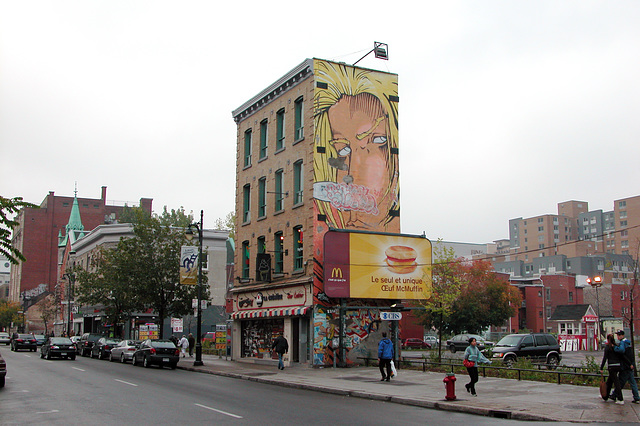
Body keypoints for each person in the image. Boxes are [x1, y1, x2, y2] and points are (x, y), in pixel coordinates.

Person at [612, 330, 639, 404]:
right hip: (630, 365)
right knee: (632, 382)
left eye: (619, 335)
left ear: (622, 336)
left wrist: (615, 348)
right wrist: (632, 364)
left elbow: (621, 350)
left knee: (621, 381)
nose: (618, 337)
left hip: (625, 366)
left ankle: (615, 394)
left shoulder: (622, 343)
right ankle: (636, 397)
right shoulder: (628, 343)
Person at [601, 333, 626, 404]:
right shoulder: (615, 347)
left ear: (608, 339)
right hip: (617, 366)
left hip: (611, 366)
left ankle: (620, 399)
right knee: (609, 382)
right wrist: (629, 363)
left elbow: (605, 358)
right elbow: (621, 356)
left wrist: (601, 367)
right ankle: (605, 396)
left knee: (616, 382)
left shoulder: (607, 347)